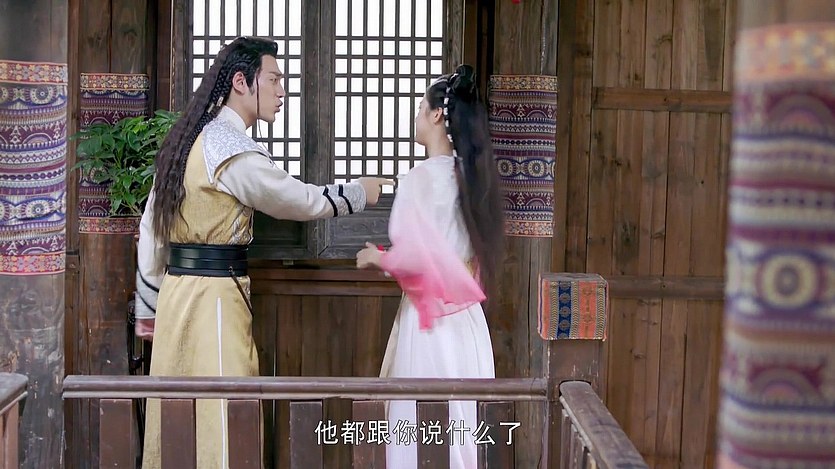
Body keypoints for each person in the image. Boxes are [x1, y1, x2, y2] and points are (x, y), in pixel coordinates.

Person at [133, 36, 392, 469]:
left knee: (178, 408)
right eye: (273, 79)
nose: (281, 90)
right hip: (213, 299)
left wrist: (149, 305)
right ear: (241, 82)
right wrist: (357, 193)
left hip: (177, 296)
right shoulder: (228, 147)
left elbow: (151, 230)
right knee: (223, 409)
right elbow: (293, 199)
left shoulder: (188, 141)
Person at [356, 64, 504, 469]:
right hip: (468, 322)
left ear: (437, 114)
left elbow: (415, 258)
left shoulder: (421, 178)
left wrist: (378, 257)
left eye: (421, 106)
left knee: (420, 430)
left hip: (431, 321)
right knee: (461, 430)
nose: (418, 114)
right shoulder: (472, 177)